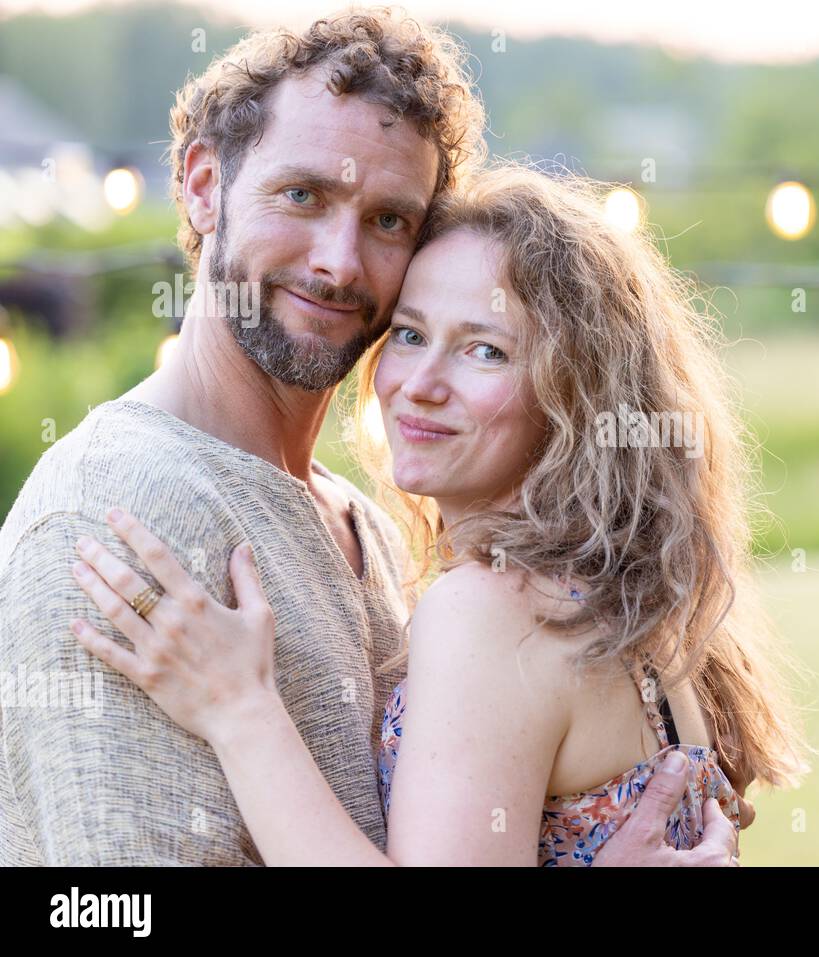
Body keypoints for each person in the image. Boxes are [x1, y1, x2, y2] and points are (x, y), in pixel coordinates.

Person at [0, 9, 757, 866]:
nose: (340, 262)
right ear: (203, 184)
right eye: (303, 195)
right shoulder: (111, 524)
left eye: (389, 220)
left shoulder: (377, 529)